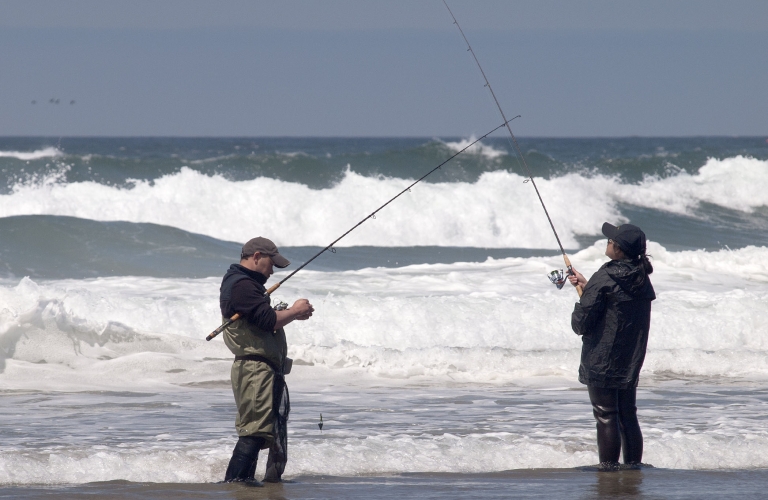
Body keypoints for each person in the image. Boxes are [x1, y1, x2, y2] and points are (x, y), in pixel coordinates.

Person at [219, 237, 314, 484]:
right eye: (271, 264)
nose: (272, 271)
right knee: (254, 432)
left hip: (261, 369)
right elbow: (267, 320)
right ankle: (235, 483)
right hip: (254, 370)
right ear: (257, 256)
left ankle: (244, 483)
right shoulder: (242, 285)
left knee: (260, 431)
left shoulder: (244, 284)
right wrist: (293, 312)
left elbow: (263, 318)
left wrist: (289, 314)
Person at [568, 223, 655, 470]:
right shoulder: (640, 277)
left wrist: (586, 292)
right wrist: (589, 286)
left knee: (606, 414)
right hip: (630, 356)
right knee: (627, 414)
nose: (607, 242)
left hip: (602, 357)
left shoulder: (605, 276)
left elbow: (580, 324)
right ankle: (633, 468)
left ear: (619, 249)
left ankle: (608, 470)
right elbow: (617, 305)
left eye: (610, 240)